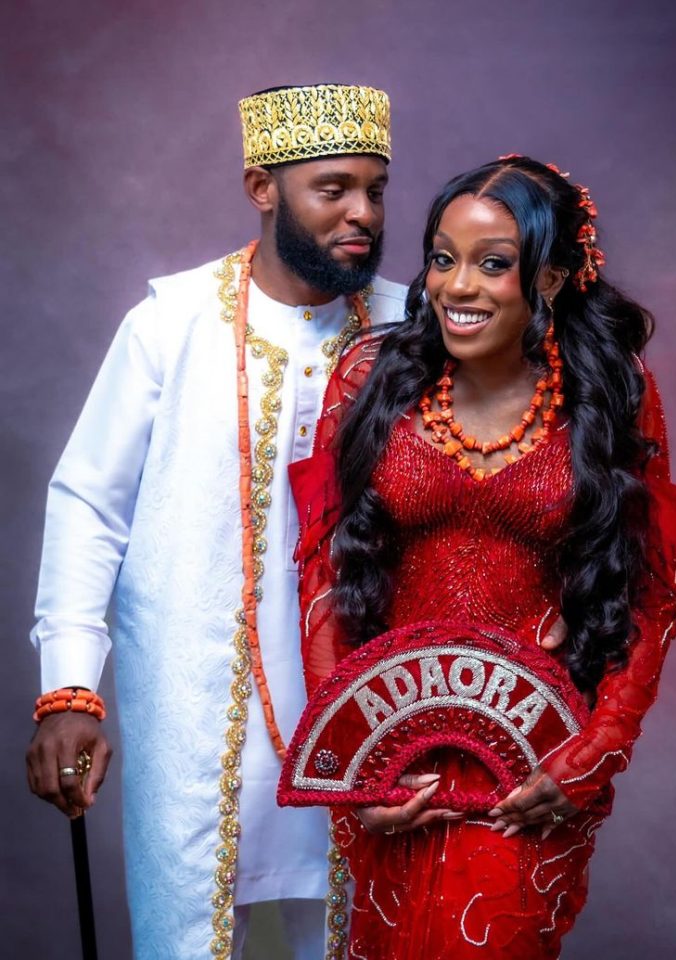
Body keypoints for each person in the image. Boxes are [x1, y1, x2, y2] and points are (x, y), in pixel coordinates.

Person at [288, 154, 676, 958]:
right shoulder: (371, 380)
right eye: (442, 258)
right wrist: (353, 767)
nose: (457, 286)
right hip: (398, 758)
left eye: (492, 264)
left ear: (550, 278)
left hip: (533, 767)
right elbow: (324, 576)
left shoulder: (612, 395)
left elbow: (651, 594)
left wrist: (592, 756)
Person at [25, 83, 407, 960]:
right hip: (196, 719)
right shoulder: (172, 324)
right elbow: (89, 506)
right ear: (261, 188)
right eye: (334, 189)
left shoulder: (410, 326)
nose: (363, 213)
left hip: (366, 716)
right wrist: (70, 690)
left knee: (359, 931)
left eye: (376, 190)